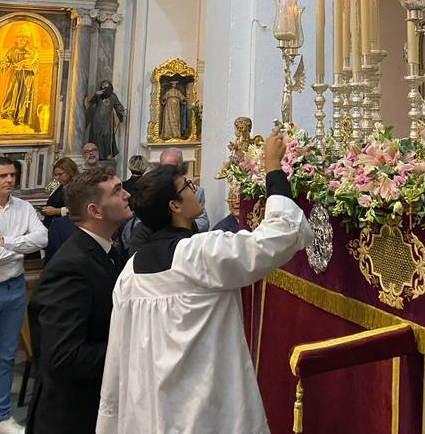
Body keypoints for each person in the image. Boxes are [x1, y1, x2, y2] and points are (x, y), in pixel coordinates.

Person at [96, 127, 312, 434]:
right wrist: (273, 169)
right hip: (204, 413)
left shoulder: (130, 273)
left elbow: (118, 359)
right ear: (175, 205)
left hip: (149, 414)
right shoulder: (199, 253)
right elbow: (277, 238)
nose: (194, 187)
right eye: (186, 185)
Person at [26, 168, 132, 434]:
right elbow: (64, 357)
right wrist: (135, 350)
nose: (127, 195)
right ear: (95, 211)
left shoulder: (107, 250)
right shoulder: (71, 266)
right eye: (117, 191)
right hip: (71, 415)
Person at [0, 156, 48, 434]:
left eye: (12, 175)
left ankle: (0, 418)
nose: (9, 180)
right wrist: (20, 246)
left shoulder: (25, 207)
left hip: (14, 287)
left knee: (6, 356)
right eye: (3, 175)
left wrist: (4, 242)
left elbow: (41, 239)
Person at [127, 147, 209, 256]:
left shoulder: (188, 233)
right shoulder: (179, 251)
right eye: (187, 186)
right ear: (174, 205)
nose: (193, 190)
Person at [0, 27, 38, 130]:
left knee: (24, 97)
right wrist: (8, 65)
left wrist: (27, 66)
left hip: (26, 77)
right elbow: (4, 62)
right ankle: (8, 114)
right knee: (12, 93)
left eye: (25, 39)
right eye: (21, 39)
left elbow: (36, 66)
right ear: (16, 39)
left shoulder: (30, 53)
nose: (23, 41)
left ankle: (21, 118)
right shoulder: (11, 51)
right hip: (14, 76)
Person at [84, 80, 124, 161]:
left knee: (107, 137)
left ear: (110, 87)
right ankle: (98, 156)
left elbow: (118, 105)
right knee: (96, 138)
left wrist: (121, 111)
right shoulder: (98, 95)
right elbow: (90, 103)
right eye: (103, 86)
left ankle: (106, 155)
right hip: (96, 121)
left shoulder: (113, 96)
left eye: (107, 86)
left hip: (107, 121)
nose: (105, 88)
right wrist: (96, 95)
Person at [40, 157, 79, 228]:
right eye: (55, 175)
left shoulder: (78, 187)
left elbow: (79, 209)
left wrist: (57, 211)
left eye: (60, 174)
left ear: (70, 172)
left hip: (65, 227)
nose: (57, 178)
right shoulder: (58, 186)